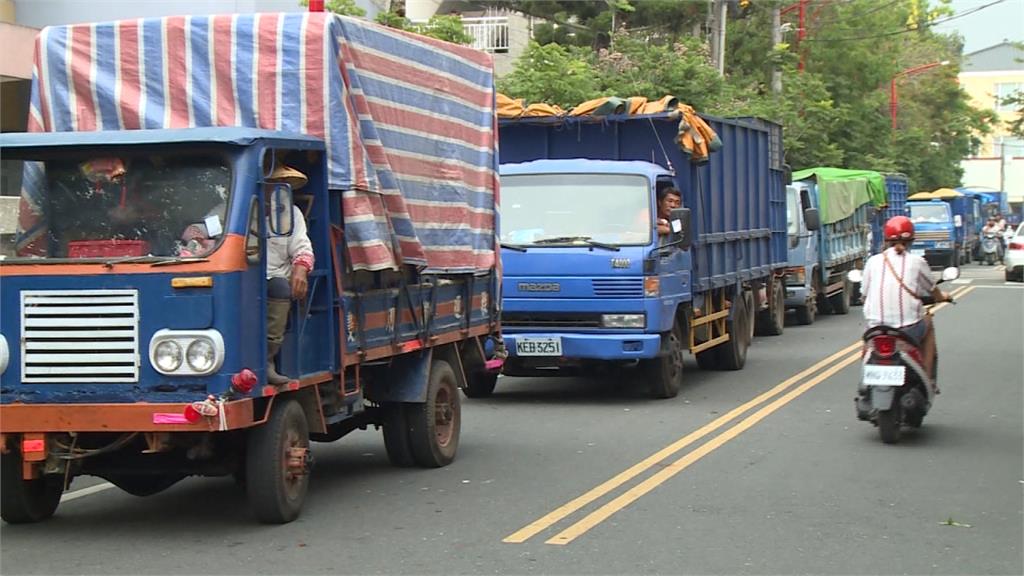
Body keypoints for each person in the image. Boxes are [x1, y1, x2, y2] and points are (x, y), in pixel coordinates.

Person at [860, 216, 951, 391]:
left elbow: (864, 295)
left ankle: (865, 377)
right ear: (911, 240)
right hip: (907, 329)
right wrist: (943, 296)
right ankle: (928, 379)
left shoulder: (873, 262)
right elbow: (933, 291)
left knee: (866, 338)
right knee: (928, 323)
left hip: (876, 329)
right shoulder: (917, 262)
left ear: (886, 239)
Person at [263, 163, 315, 385]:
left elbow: (303, 249)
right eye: (270, 185)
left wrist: (300, 270)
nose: (273, 190)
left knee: (279, 287)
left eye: (278, 186)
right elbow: (204, 228)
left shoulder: (291, 214)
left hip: (273, 278)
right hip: (241, 276)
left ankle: (267, 359)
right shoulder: (235, 207)